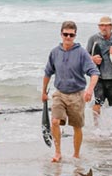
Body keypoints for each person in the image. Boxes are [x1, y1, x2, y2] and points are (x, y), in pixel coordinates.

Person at [41, 21, 99, 163]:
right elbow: (48, 73)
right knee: (54, 121)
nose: (68, 37)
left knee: (77, 126)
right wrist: (43, 92)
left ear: (75, 35)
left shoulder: (81, 53)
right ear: (61, 34)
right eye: (65, 34)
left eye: (71, 35)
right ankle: (58, 152)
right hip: (59, 93)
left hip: (77, 94)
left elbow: (94, 73)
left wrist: (90, 90)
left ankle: (76, 154)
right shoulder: (55, 52)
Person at [86, 16, 112, 125]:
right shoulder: (93, 39)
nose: (104, 27)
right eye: (102, 25)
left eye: (106, 25)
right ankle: (96, 125)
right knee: (97, 103)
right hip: (98, 76)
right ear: (99, 26)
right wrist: (92, 59)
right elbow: (85, 56)